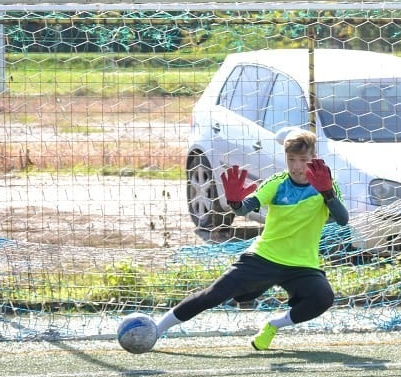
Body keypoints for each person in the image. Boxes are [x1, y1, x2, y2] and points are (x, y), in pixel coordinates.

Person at [149, 127, 349, 350]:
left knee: (322, 298)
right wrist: (235, 203)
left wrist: (328, 194)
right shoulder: (278, 183)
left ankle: (273, 325)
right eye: (291, 159)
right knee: (213, 295)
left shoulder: (325, 185)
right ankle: (156, 330)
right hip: (263, 258)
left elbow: (342, 219)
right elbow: (246, 208)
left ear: (313, 158)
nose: (296, 166)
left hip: (302, 264)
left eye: (302, 160)